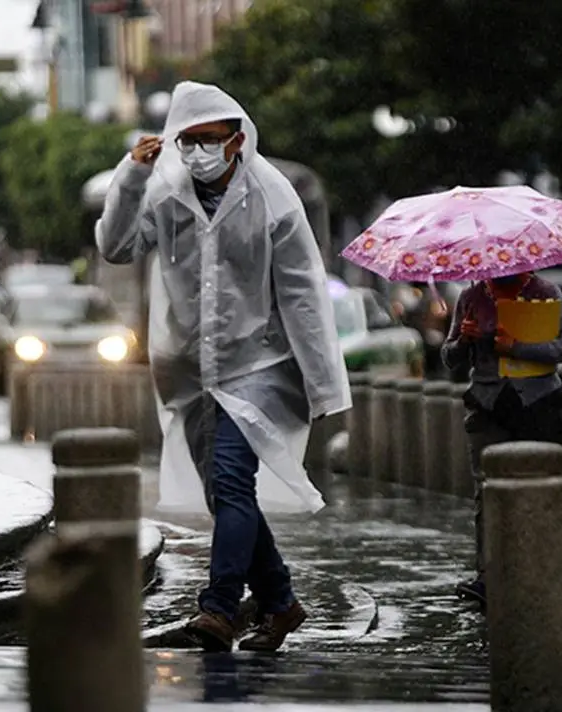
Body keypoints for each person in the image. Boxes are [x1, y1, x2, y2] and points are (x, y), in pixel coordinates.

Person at [95, 81, 350, 653]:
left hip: (259, 363)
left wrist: (324, 385)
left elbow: (304, 292)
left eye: (209, 140)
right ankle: (280, 603)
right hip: (188, 369)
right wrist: (131, 176)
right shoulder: (165, 193)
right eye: (187, 140)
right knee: (224, 493)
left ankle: (220, 608)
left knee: (234, 479)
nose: (197, 152)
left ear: (236, 141)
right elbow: (116, 247)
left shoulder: (273, 197)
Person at [440, 270, 562, 607]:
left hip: (538, 404)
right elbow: (448, 357)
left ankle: (541, 570)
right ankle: (489, 575)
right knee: (486, 492)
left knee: (540, 491)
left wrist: (518, 347)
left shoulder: (546, 292)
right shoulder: (471, 297)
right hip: (487, 405)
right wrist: (464, 340)